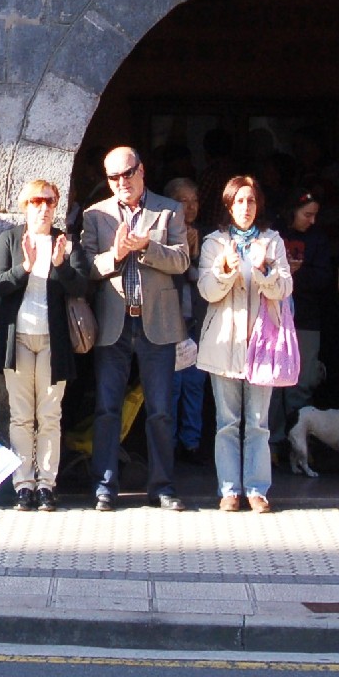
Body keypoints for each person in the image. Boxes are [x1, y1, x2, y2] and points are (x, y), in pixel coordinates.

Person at [81, 147, 191, 512]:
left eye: (127, 174)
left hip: (156, 322)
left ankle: (162, 487)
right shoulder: (95, 215)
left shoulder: (168, 209)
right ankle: (104, 486)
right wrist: (114, 255)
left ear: (142, 170)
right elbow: (86, 269)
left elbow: (182, 261)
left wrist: (146, 247)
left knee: (160, 410)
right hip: (113, 323)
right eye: (113, 177)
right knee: (107, 408)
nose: (121, 183)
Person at [0, 178, 90, 512]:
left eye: (49, 202)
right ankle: (23, 484)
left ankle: (47, 484)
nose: (43, 208)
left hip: (53, 340)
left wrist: (60, 265)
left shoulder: (65, 242)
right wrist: (27, 267)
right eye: (36, 202)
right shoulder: (9, 239)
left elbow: (81, 286)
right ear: (25, 206)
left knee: (49, 415)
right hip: (17, 338)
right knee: (20, 416)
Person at [196, 176, 294, 513]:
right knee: (227, 422)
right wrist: (225, 271)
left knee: (257, 422)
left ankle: (256, 489)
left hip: (262, 345)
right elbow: (207, 291)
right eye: (239, 201)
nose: (245, 208)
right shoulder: (214, 242)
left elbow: (284, 289)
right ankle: (229, 490)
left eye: (251, 201)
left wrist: (264, 267)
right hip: (224, 344)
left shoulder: (272, 241)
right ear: (228, 206)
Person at [270, 190, 332, 456]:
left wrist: (297, 274)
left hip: (306, 319)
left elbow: (323, 279)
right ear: (291, 211)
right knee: (270, 383)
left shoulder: (318, 239)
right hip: (271, 318)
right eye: (307, 214)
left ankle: (300, 448)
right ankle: (272, 444)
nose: (312, 220)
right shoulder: (272, 233)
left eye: (316, 215)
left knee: (302, 382)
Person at [162, 177, 208, 463]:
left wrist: (197, 253)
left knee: (195, 385)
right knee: (171, 387)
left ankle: (191, 443)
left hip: (198, 322)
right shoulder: (162, 235)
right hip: (170, 322)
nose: (190, 208)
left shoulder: (208, 236)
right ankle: (167, 443)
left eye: (194, 201)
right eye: (183, 201)